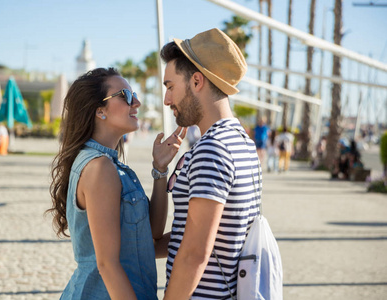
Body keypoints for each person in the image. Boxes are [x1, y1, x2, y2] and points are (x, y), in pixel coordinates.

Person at [47, 68, 185, 300]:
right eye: (126, 95)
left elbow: (151, 234)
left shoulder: (111, 166)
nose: (137, 102)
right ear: (99, 110)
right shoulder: (100, 168)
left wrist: (160, 170)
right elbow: (107, 265)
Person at [157, 28, 261, 299]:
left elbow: (194, 254)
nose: (167, 100)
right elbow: (217, 236)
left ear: (196, 81)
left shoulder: (212, 149)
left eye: (170, 87)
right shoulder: (243, 143)